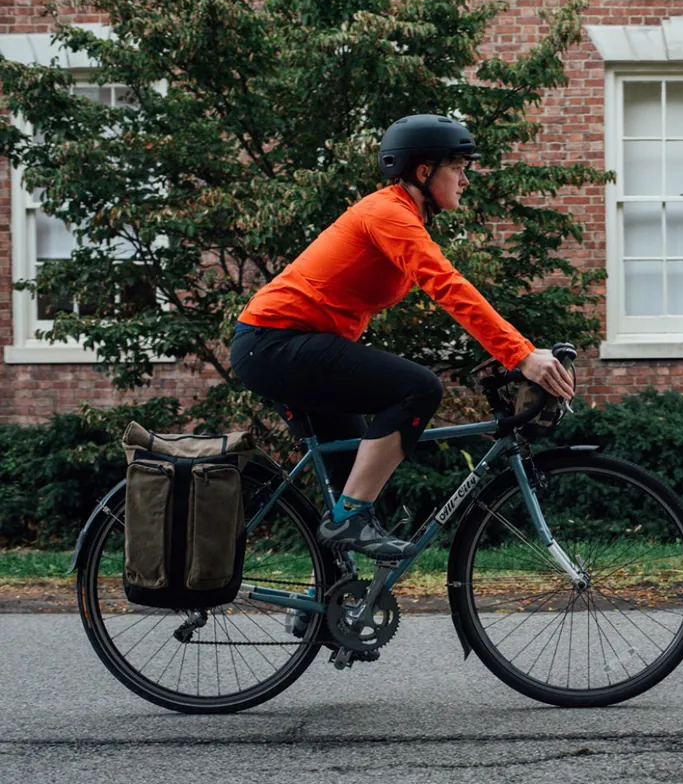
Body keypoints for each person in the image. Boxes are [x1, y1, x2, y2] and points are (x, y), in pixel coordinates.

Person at [230, 114, 574, 561]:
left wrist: (516, 351)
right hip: (273, 344)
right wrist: (520, 354)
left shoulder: (402, 216)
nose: (466, 180)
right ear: (424, 171)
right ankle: (348, 521)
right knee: (418, 389)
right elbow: (448, 286)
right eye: (458, 167)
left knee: (355, 474)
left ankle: (326, 606)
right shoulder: (388, 213)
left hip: (291, 346)